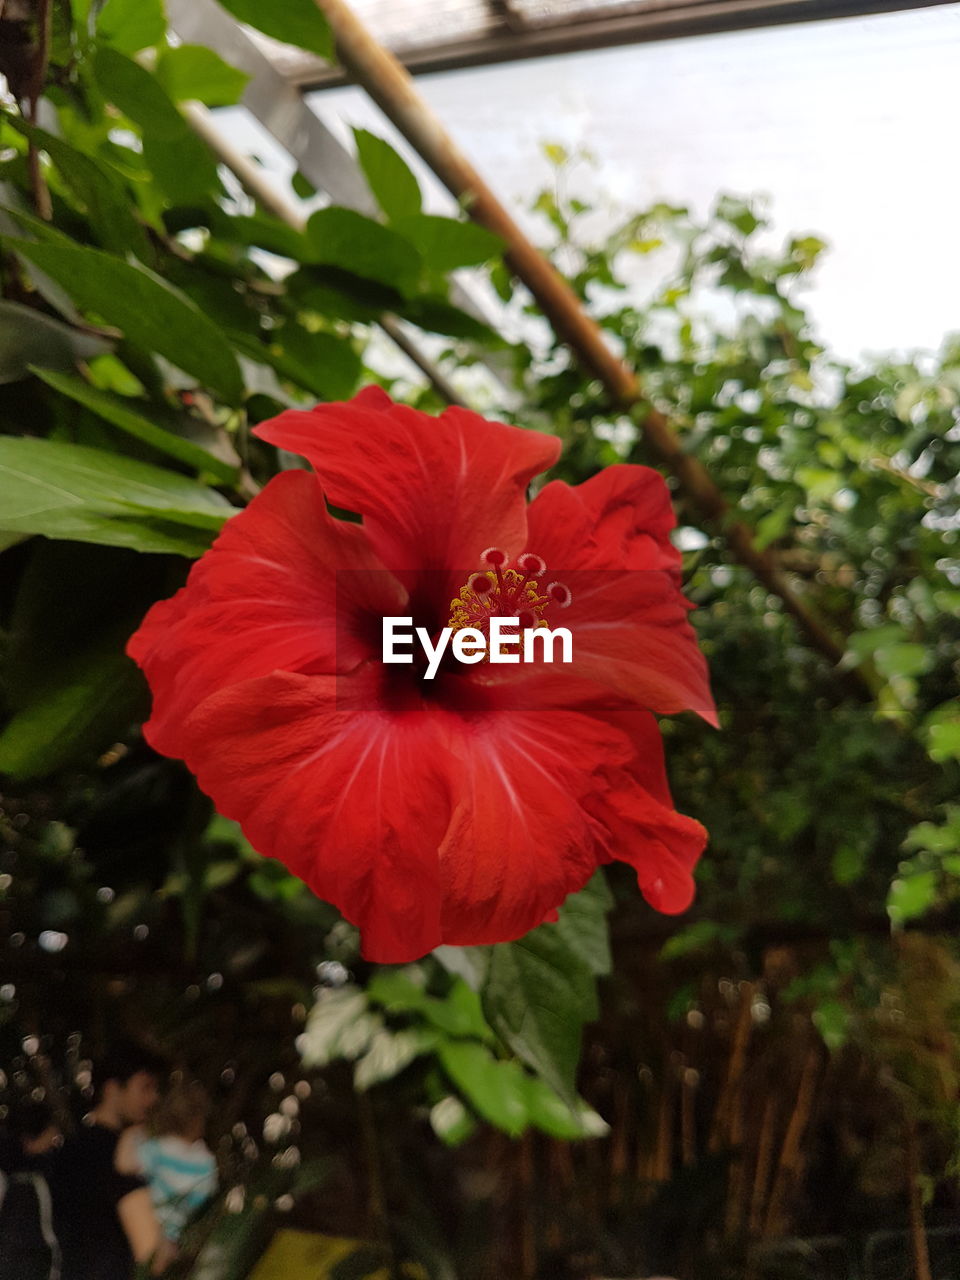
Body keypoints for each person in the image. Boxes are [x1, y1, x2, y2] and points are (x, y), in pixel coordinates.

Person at [49, 1040, 174, 1280]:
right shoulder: (114, 1151)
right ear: (113, 1089)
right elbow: (151, 1253)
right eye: (145, 1087)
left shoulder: (73, 1148)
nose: (153, 1099)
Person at [115, 1079, 217, 1251]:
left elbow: (123, 1165)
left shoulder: (158, 1150)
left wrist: (131, 1132)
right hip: (184, 1238)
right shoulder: (207, 1162)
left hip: (152, 1235)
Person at [0, 1098, 62, 1280]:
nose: (54, 1139)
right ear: (29, 1139)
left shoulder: (33, 1177)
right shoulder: (27, 1182)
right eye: (50, 1133)